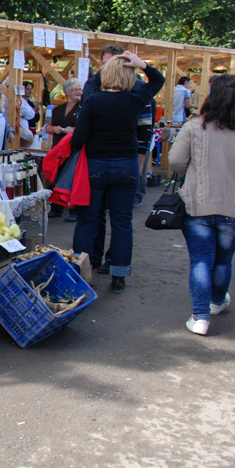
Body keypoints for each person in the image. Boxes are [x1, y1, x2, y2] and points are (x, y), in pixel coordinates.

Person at [70, 52, 165, 294]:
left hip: (95, 166)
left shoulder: (92, 101)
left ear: (105, 74)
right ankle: (119, 275)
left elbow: (79, 138)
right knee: (122, 222)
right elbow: (157, 81)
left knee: (87, 221)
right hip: (126, 166)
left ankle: (80, 272)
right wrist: (142, 63)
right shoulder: (136, 99)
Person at [168, 73, 235, 336]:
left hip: (197, 205)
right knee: (223, 260)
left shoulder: (195, 126)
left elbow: (176, 160)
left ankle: (199, 318)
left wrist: (195, 170)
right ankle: (215, 303)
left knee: (200, 261)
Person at [81, 43, 126, 273]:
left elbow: (81, 130)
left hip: (100, 161)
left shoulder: (134, 90)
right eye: (111, 63)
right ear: (101, 64)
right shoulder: (92, 86)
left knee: (107, 220)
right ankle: (94, 261)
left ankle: (90, 268)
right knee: (97, 217)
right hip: (108, 161)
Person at [46, 78, 83, 221]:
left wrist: (74, 129)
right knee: (57, 176)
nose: (79, 92)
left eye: (80, 89)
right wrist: (55, 129)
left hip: (74, 148)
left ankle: (74, 210)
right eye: (76, 89)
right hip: (59, 149)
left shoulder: (83, 108)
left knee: (73, 178)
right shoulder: (58, 110)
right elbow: (48, 128)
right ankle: (57, 208)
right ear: (67, 92)